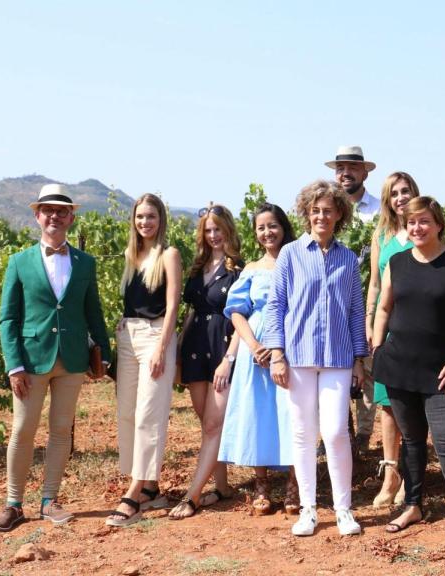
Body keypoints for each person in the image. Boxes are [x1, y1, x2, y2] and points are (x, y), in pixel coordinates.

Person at [0, 183, 111, 532]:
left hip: (72, 359)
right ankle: (13, 504)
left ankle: (49, 500)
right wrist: (14, 365)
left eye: (62, 210)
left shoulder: (85, 263)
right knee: (23, 430)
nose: (54, 216)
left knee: (61, 431)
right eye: (48, 210)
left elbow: (94, 311)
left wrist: (103, 353)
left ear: (71, 217)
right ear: (37, 215)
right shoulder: (19, 262)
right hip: (30, 361)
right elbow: (7, 318)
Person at [372, 196, 445, 548]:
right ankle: (413, 505)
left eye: (423, 222)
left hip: (443, 371)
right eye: (411, 222)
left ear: (438, 225)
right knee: (412, 440)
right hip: (400, 366)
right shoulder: (397, 263)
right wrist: (377, 348)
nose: (417, 228)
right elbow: (384, 307)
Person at [263, 180, 369, 537]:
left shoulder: (348, 258)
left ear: (340, 214)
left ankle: (344, 509)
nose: (321, 216)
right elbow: (276, 306)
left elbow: (356, 311)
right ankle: (308, 509)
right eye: (315, 210)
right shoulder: (291, 254)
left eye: (328, 210)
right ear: (306, 214)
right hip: (298, 355)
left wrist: (358, 358)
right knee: (303, 432)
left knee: (337, 431)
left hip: (339, 356)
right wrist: (277, 354)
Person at [217, 203, 300, 516]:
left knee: (291, 414)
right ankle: (261, 486)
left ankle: (294, 485)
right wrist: (252, 345)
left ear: (284, 227)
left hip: (291, 346)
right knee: (258, 413)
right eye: (261, 228)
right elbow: (236, 311)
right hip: (256, 352)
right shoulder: (251, 269)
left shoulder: (298, 262)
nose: (268, 232)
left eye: (273, 226)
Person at [106, 193, 182, 527]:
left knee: (149, 416)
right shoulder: (132, 255)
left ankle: (133, 495)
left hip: (155, 337)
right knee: (127, 413)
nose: (144, 222)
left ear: (160, 220)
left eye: (150, 217)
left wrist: (161, 348)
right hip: (128, 337)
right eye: (139, 217)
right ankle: (151, 489)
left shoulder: (169, 254)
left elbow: (173, 305)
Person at [169, 204, 244, 519]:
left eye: (218, 229)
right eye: (208, 230)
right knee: (208, 424)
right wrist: (178, 356)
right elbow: (189, 312)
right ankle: (223, 487)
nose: (213, 235)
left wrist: (229, 359)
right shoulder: (197, 267)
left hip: (222, 349)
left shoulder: (240, 269)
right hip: (195, 347)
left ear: (228, 229)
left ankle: (192, 495)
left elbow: (244, 318)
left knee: (214, 424)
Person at [364, 172, 420, 508]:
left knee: (412, 405)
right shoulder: (382, 235)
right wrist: (371, 326)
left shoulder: (423, 228)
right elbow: (373, 283)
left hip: (418, 327)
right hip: (388, 327)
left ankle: (412, 478)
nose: (400, 197)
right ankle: (390, 475)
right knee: (386, 404)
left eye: (405, 191)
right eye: (394, 193)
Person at [325, 145, 379, 453]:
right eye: (340, 168)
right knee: (333, 370)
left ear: (364, 172)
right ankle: (340, 431)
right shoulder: (326, 210)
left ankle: (363, 437)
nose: (345, 173)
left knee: (367, 372)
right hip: (335, 306)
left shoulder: (377, 210)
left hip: (366, 303)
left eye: (351, 168)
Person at [327, 145, 380, 222]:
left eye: (353, 168)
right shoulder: (326, 208)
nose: (346, 173)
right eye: (340, 168)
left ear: (365, 175)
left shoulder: (380, 209)